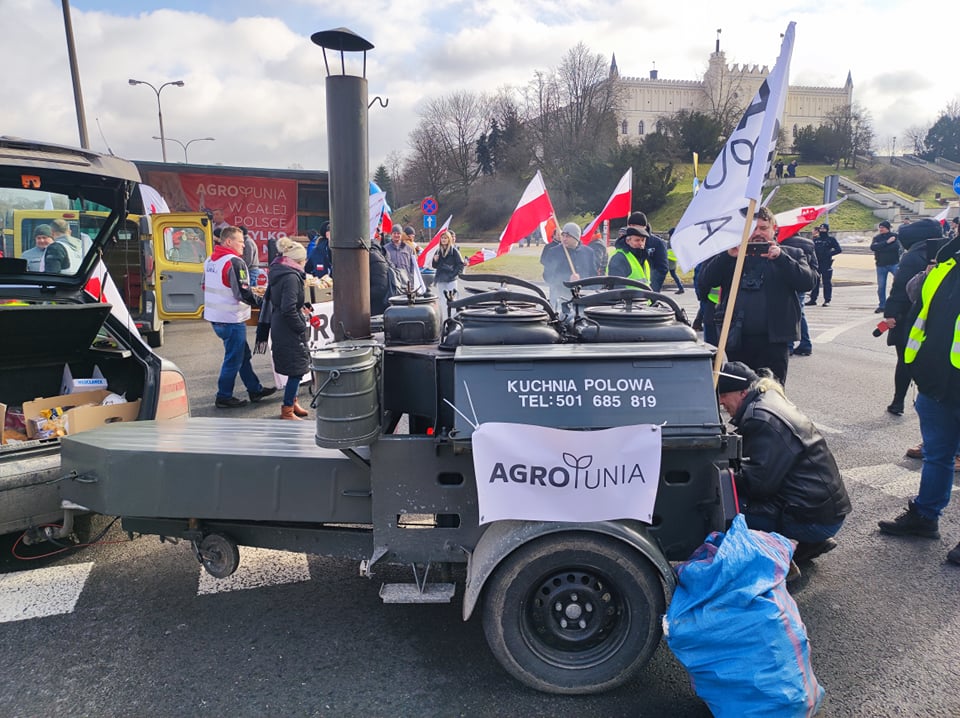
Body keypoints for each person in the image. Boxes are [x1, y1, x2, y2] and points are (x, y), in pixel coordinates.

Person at [717, 361, 851, 566]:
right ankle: (807, 542)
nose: (721, 402)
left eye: (724, 395)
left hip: (813, 518)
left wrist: (721, 475)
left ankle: (770, 557)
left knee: (725, 504)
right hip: (824, 509)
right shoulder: (768, 398)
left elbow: (758, 485)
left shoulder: (759, 419)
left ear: (743, 392)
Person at [878, 234, 960, 566]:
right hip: (936, 384)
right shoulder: (942, 268)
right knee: (937, 457)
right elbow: (918, 305)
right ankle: (925, 517)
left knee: (939, 457)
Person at [696, 206, 817, 385]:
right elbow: (705, 280)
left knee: (772, 394)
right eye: (752, 229)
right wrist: (728, 257)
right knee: (737, 393)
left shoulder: (792, 254)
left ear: (773, 229)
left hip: (774, 342)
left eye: (763, 228)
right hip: (736, 340)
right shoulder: (732, 256)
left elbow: (808, 282)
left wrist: (782, 259)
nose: (757, 233)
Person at [203, 226, 276, 409]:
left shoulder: (210, 260)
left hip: (216, 317)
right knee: (234, 359)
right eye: (241, 242)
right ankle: (224, 396)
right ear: (229, 242)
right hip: (231, 319)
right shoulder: (234, 262)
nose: (244, 246)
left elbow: (204, 286)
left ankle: (255, 389)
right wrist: (263, 302)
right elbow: (243, 294)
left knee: (242, 355)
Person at [880, 220, 941, 416]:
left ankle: (898, 402)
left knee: (905, 360)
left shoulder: (912, 256)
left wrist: (890, 314)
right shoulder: (943, 254)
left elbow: (900, 290)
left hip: (909, 316)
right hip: (936, 318)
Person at [257, 237, 311, 421]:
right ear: (297, 261)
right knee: (297, 368)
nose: (306, 263)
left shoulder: (280, 272)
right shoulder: (291, 277)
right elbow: (289, 307)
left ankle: (292, 401)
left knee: (294, 367)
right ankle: (287, 409)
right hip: (288, 327)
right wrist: (300, 325)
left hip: (280, 324)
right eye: (304, 260)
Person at [540, 222, 594, 310]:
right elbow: (547, 276)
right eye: (563, 235)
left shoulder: (588, 253)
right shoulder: (553, 252)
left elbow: (593, 275)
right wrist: (568, 280)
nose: (564, 239)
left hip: (582, 299)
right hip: (560, 298)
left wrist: (582, 282)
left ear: (576, 237)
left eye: (568, 236)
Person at [781, 230, 818, 356]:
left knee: (788, 313)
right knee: (800, 313)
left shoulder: (783, 243)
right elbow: (814, 264)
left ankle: (789, 345)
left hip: (788, 282)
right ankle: (806, 343)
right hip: (803, 280)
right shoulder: (809, 243)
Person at [628, 212, 668, 291]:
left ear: (644, 227)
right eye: (630, 226)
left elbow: (662, 268)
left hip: (649, 289)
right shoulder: (626, 241)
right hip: (630, 290)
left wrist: (653, 289)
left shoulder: (657, 243)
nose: (633, 229)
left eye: (636, 227)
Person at [806, 223, 842, 306]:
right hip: (817, 263)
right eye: (821, 229)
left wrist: (829, 253)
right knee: (815, 282)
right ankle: (813, 299)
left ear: (827, 230)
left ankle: (827, 300)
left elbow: (838, 249)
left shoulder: (831, 239)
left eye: (824, 229)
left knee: (827, 282)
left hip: (826, 263)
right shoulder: (816, 240)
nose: (822, 230)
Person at [431, 229, 465, 318]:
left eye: (445, 238)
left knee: (452, 299)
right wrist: (435, 260)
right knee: (442, 300)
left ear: (449, 239)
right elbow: (434, 266)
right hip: (441, 278)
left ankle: (453, 318)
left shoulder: (454, 251)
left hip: (451, 279)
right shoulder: (438, 251)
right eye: (442, 238)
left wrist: (453, 274)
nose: (443, 240)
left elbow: (460, 264)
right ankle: (444, 318)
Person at [870, 220, 900, 313]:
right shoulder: (877, 237)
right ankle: (882, 305)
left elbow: (895, 247)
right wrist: (886, 242)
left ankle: (898, 303)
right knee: (881, 286)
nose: (881, 229)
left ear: (887, 228)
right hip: (880, 265)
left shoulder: (894, 236)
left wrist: (881, 248)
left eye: (883, 227)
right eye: (880, 227)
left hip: (893, 263)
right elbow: (873, 247)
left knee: (899, 282)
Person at [384, 225, 421, 292]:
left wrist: (411, 283)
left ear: (401, 235)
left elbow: (412, 267)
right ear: (391, 234)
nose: (396, 235)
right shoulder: (385, 249)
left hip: (406, 282)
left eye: (398, 233)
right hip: (392, 283)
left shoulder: (409, 249)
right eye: (394, 233)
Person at [663, 227, 685, 293]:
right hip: (673, 260)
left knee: (663, 274)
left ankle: (657, 287)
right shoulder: (676, 241)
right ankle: (681, 287)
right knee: (673, 274)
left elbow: (667, 248)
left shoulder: (672, 241)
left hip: (669, 260)